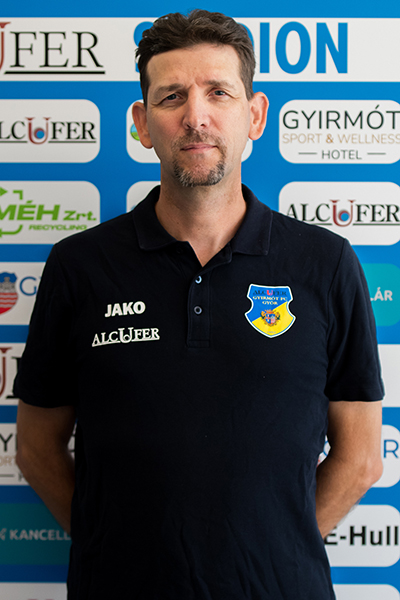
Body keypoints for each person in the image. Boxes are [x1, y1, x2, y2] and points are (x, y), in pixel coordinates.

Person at [14, 9, 383, 600]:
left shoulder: (325, 263)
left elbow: (362, 457)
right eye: (172, 97)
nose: (196, 116)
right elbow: (35, 448)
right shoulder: (79, 266)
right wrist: (110, 547)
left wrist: (279, 547)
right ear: (142, 124)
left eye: (218, 92)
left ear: (255, 115)